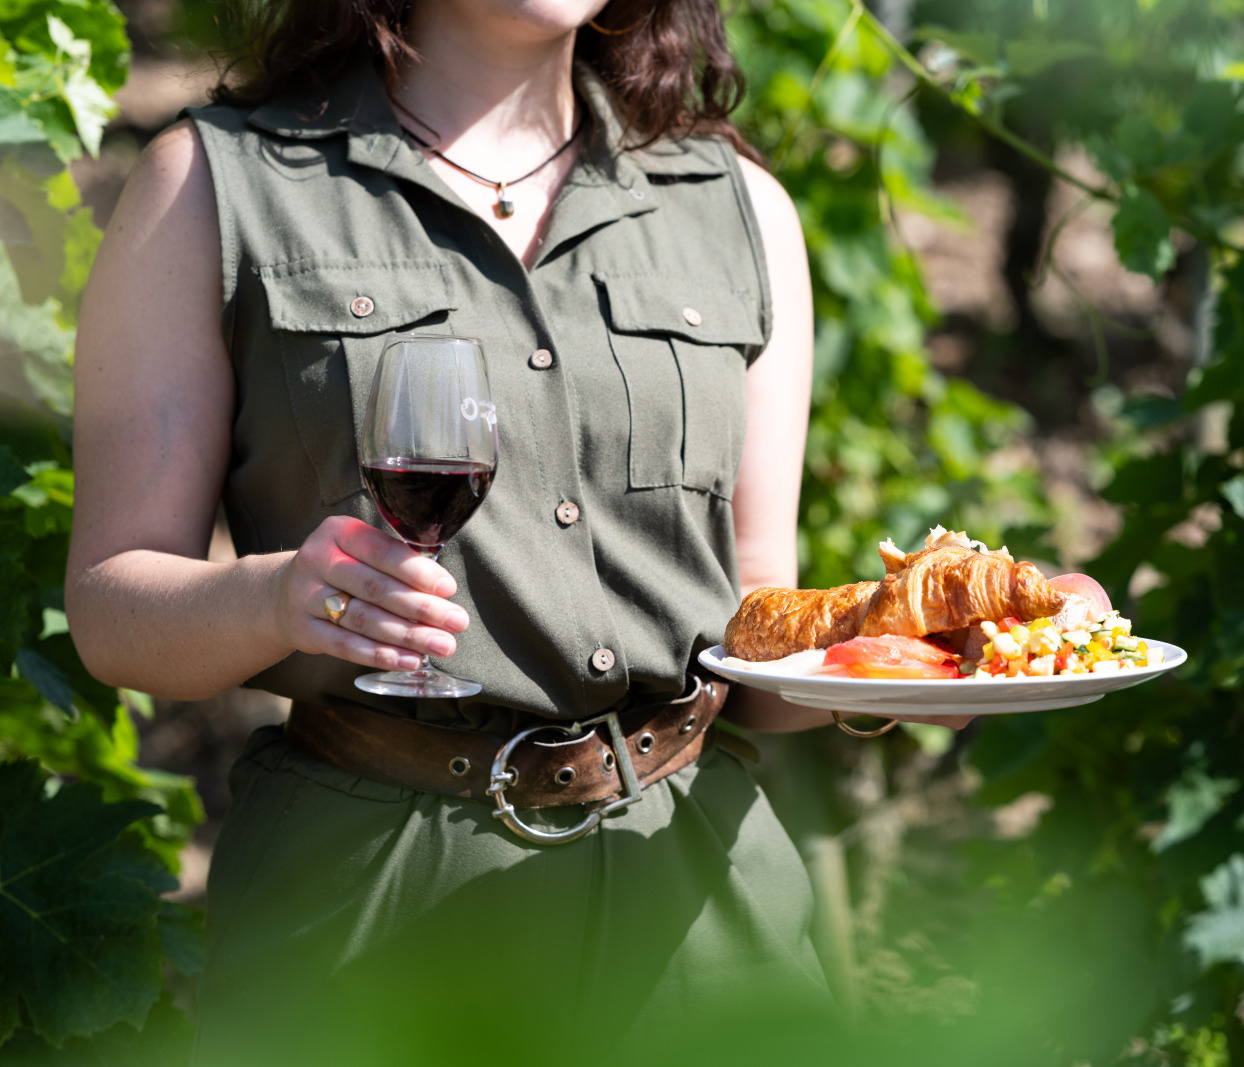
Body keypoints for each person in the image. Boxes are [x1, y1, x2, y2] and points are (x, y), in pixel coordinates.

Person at [63, 0, 895, 1060]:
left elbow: (755, 629)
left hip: (702, 905)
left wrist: (933, 654)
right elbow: (111, 608)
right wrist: (278, 598)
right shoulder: (210, 188)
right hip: (367, 903)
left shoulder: (737, 208)